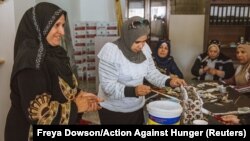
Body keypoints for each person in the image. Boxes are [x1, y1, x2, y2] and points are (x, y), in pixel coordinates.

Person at [4, 2, 102, 141]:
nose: (62, 32)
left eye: (63, 25)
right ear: (41, 25)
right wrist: (76, 107)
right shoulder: (32, 61)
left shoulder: (56, 53)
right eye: (56, 25)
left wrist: (81, 95)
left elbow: (60, 86)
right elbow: (41, 116)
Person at [97, 16, 186, 124]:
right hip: (113, 111)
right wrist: (133, 91)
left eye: (144, 41)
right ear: (127, 37)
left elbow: (151, 73)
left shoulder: (145, 48)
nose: (141, 45)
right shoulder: (111, 52)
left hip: (136, 108)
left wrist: (169, 81)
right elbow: (108, 87)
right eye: (137, 42)